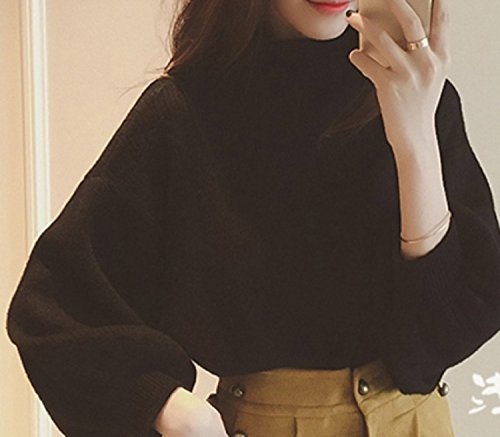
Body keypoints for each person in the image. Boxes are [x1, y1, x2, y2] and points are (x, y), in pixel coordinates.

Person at [6, 0, 500, 436]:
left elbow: (439, 342)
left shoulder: (418, 97)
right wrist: (171, 409)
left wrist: (415, 138)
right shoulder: (185, 115)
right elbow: (53, 308)